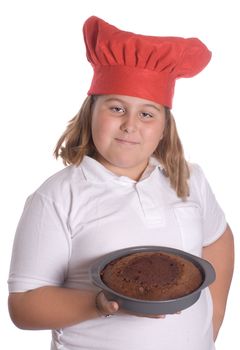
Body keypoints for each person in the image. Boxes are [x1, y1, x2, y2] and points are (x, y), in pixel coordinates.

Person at [8, 16, 234, 350]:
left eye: (147, 114)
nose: (130, 125)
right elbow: (24, 305)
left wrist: (211, 323)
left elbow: (218, 239)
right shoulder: (58, 196)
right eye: (116, 108)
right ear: (91, 112)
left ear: (163, 127)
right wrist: (97, 304)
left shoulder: (186, 179)